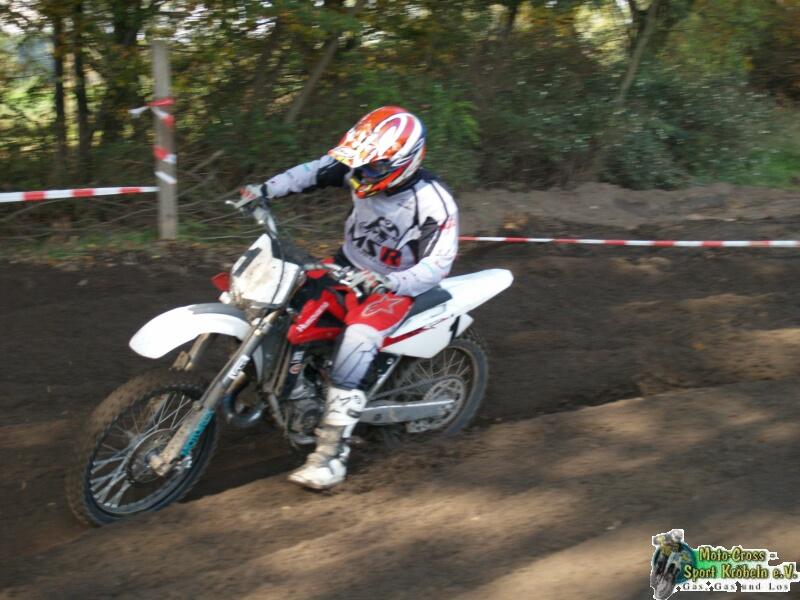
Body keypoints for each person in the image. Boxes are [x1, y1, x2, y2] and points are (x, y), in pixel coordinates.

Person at [244, 106, 459, 490]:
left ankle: (332, 456)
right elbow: (315, 170)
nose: (362, 174)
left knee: (358, 338)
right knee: (286, 301)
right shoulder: (360, 166)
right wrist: (265, 190)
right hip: (346, 265)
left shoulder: (433, 203)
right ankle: (293, 388)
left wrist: (389, 282)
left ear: (405, 161)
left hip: (392, 287)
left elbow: (438, 264)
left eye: (373, 167)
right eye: (360, 164)